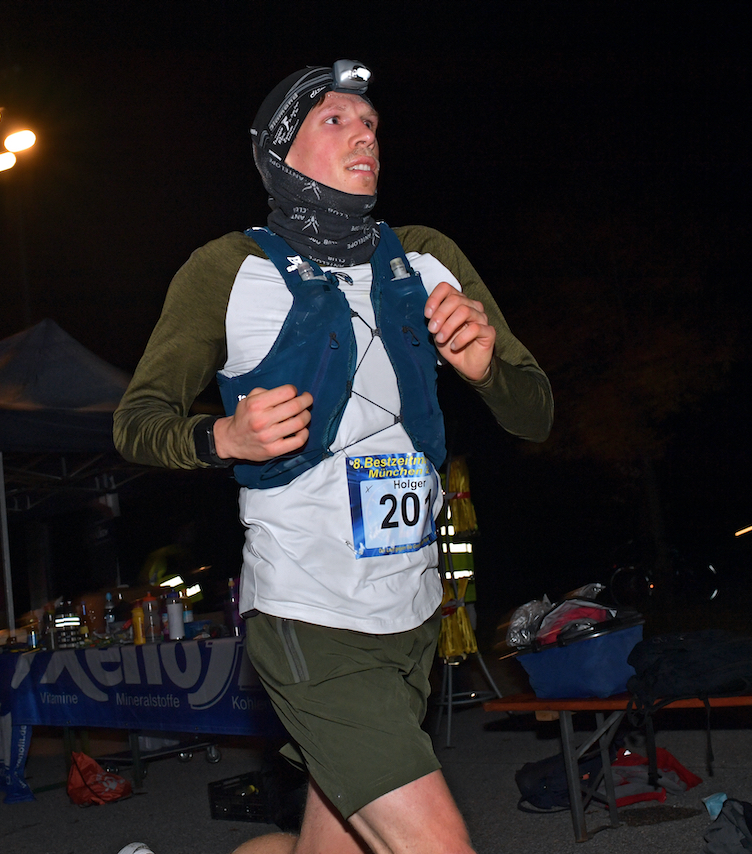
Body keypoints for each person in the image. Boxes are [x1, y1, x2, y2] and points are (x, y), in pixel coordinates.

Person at [113, 60, 553, 854]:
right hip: (308, 615)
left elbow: (537, 413)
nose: (365, 136)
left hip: (414, 618)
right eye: (336, 120)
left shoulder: (425, 256)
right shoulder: (226, 269)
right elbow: (136, 423)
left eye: (372, 123)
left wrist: (487, 370)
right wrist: (223, 438)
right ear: (280, 151)